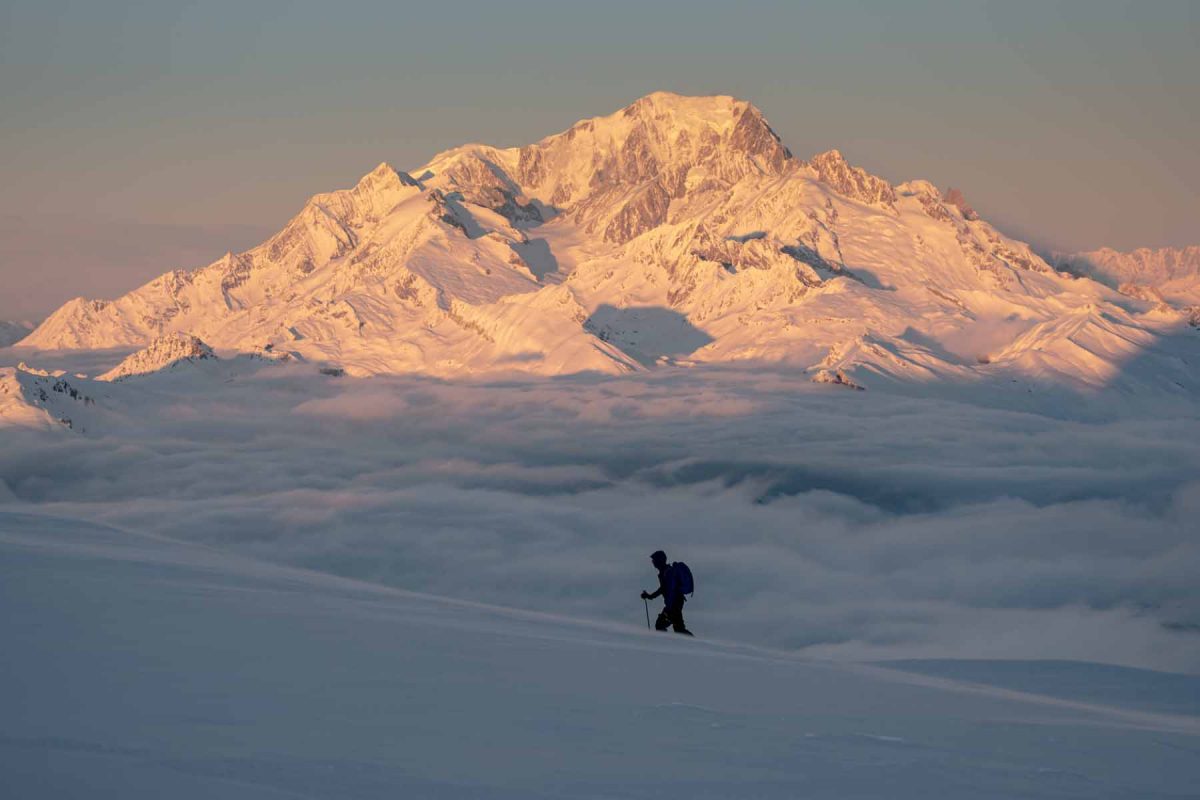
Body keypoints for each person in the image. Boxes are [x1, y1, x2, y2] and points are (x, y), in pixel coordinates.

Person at [641, 550, 692, 635]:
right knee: (676, 628)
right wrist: (650, 596)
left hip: (674, 603)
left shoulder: (667, 572)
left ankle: (692, 642)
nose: (653, 563)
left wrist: (669, 606)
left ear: (659, 561)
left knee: (667, 626)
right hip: (675, 602)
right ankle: (690, 642)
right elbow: (664, 589)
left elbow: (666, 589)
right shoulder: (665, 572)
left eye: (654, 560)